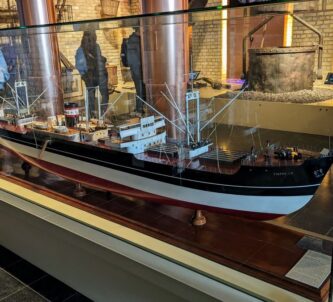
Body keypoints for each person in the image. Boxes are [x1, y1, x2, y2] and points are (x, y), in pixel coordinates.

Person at [75, 31, 109, 118]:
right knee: (103, 95)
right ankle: (101, 115)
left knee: (92, 98)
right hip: (98, 74)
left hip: (92, 75)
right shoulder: (93, 47)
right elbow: (81, 65)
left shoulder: (82, 49)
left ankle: (94, 116)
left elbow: (79, 66)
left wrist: (84, 76)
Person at [121, 27, 145, 115]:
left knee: (139, 89)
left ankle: (140, 108)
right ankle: (139, 109)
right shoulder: (136, 41)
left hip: (136, 68)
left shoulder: (130, 40)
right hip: (138, 69)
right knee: (140, 89)